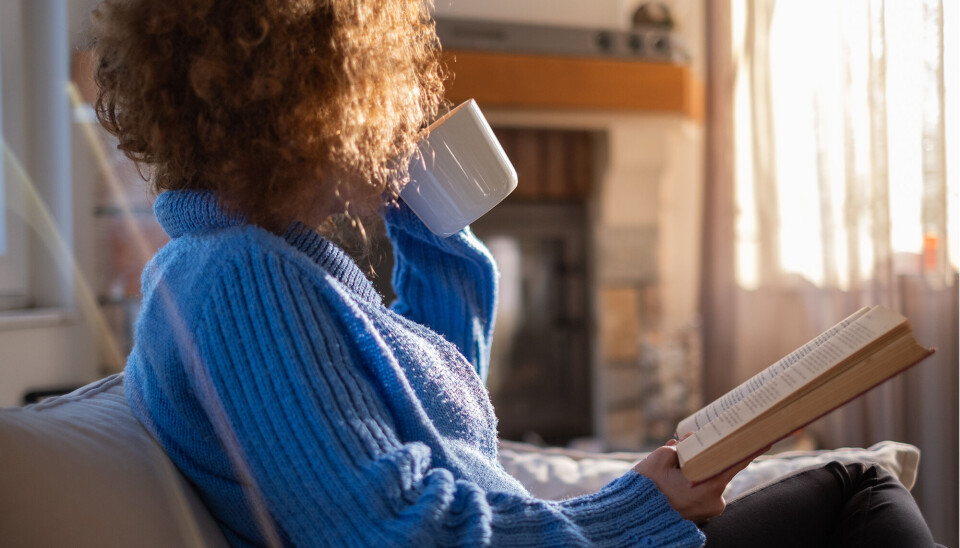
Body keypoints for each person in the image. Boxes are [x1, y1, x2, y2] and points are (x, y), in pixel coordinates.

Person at [89, 1, 938, 546]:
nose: (396, 113)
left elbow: (455, 442)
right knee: (854, 485)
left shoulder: (262, 262)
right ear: (313, 106)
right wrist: (633, 510)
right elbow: (400, 532)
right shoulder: (242, 280)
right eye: (375, 92)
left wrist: (434, 233)